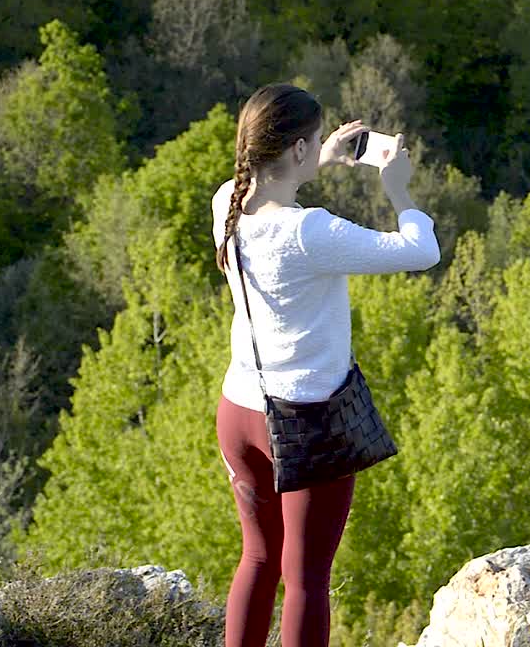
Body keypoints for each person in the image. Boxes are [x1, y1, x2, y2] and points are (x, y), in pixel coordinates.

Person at [210, 83, 440, 647]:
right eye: (311, 143)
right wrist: (399, 190)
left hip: (238, 413)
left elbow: (273, 185)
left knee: (258, 557)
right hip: (305, 419)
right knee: (307, 579)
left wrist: (324, 156)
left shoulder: (226, 202)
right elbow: (420, 251)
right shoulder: (309, 232)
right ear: (293, 150)